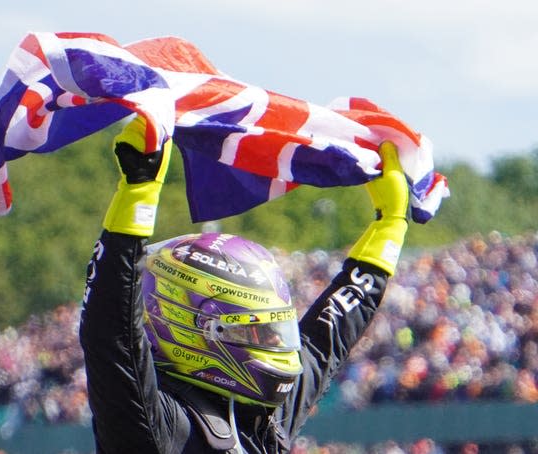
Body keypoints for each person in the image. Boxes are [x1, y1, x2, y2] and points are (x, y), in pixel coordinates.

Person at [79, 114, 410, 453]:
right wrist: (138, 194)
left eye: (274, 329)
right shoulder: (158, 431)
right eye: (255, 331)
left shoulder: (261, 414)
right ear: (198, 328)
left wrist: (389, 228)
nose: (274, 344)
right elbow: (110, 336)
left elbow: (330, 334)